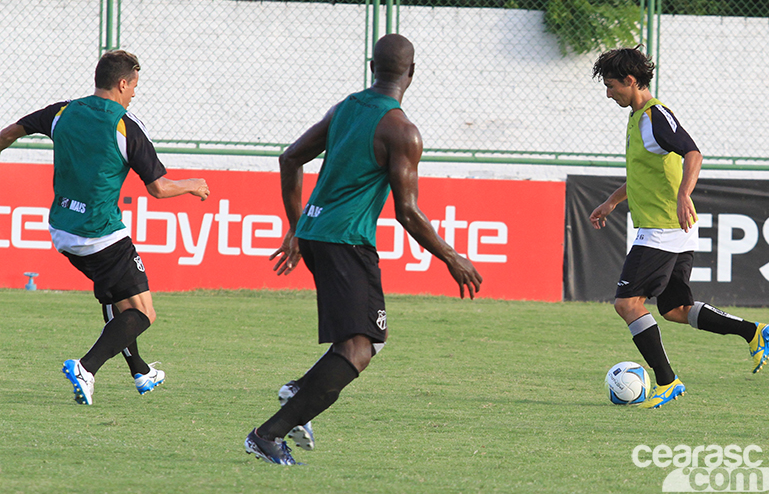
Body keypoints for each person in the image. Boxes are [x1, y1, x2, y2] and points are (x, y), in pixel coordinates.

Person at [244, 34, 483, 465]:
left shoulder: (344, 109)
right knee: (360, 348)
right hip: (347, 242)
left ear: (372, 66)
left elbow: (290, 158)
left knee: (365, 338)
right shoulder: (402, 130)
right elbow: (407, 212)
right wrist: (453, 257)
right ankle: (270, 433)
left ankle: (299, 393)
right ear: (411, 72)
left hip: (319, 236)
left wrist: (298, 226)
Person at [0, 50, 210, 405]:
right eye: (134, 87)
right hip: (101, 233)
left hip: (63, 230)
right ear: (122, 83)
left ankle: (140, 371)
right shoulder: (125, 125)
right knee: (142, 312)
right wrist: (192, 184)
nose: (134, 94)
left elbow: (9, 133)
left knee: (116, 300)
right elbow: (158, 187)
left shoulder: (62, 112)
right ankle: (86, 367)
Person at [589, 47, 769, 409]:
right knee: (674, 308)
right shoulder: (638, 117)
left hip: (662, 229)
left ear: (630, 81)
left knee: (627, 304)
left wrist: (684, 194)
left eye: (611, 86)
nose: (608, 93)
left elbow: (693, 152)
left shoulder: (655, 116)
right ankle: (751, 331)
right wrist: (612, 201)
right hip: (673, 229)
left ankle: (667, 380)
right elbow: (646, 175)